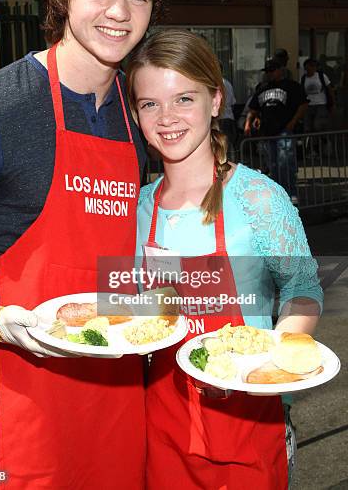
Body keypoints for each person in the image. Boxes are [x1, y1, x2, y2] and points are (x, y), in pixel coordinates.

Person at [0, 0, 164, 489]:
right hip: (13, 398)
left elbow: (114, 261)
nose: (119, 12)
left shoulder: (138, 115)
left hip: (115, 395)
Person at [125, 29, 323, 490]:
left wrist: (269, 361)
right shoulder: (139, 208)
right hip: (163, 430)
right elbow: (141, 312)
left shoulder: (258, 197)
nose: (167, 118)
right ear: (136, 114)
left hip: (247, 425)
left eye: (183, 99)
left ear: (216, 100)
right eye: (150, 103)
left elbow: (303, 290)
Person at [244, 57, 308, 203]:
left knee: (286, 164)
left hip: (284, 130)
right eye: (268, 71)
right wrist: (249, 122)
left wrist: (292, 122)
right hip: (268, 132)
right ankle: (279, 193)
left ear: (280, 70)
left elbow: (303, 105)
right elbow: (254, 109)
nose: (270, 74)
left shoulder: (291, 86)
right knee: (273, 165)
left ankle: (291, 193)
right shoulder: (263, 88)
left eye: (272, 70)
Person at [302, 58, 334, 133]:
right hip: (308, 105)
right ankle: (313, 143)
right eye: (309, 67)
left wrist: (332, 103)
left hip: (321, 104)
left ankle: (322, 140)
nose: (311, 69)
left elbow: (329, 89)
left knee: (318, 126)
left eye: (313, 66)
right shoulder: (303, 78)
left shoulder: (321, 76)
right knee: (308, 127)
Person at [218, 63, 237, 160]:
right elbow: (233, 102)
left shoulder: (216, 84)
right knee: (228, 146)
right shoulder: (227, 83)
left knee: (221, 147)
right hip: (229, 117)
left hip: (220, 118)